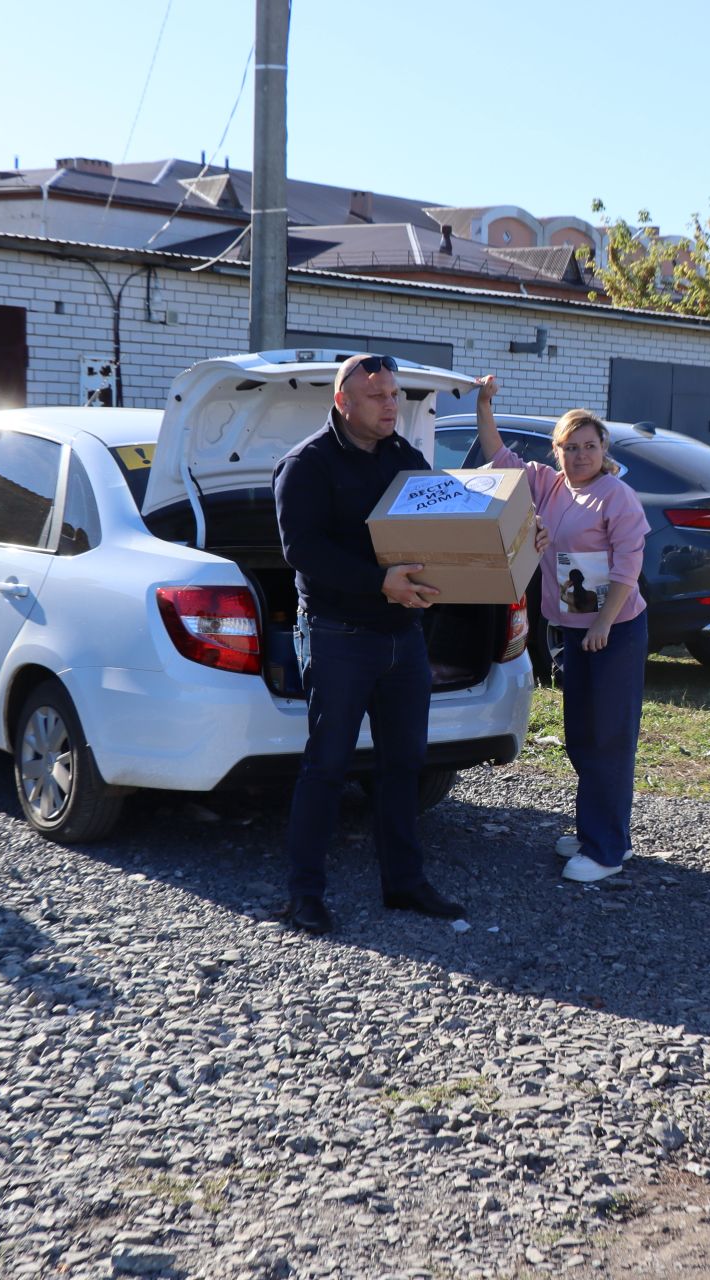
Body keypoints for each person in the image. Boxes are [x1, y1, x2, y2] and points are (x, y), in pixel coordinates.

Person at [270, 353, 467, 934]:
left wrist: (508, 533)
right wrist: (378, 580)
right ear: (343, 402)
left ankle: (403, 883)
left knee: (404, 763)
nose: (390, 405)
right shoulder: (306, 464)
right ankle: (304, 894)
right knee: (327, 766)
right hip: (338, 636)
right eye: (377, 395)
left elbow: (444, 516)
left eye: (395, 394)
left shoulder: (405, 456)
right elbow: (301, 550)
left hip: (402, 636)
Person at [473, 377, 652, 883]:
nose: (579, 456)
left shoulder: (617, 497)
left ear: (603, 449)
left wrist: (601, 624)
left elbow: (626, 571)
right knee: (580, 738)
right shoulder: (550, 485)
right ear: (556, 452)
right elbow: (497, 454)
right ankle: (597, 828)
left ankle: (607, 850)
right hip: (572, 630)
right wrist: (485, 405)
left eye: (588, 447)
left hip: (614, 631)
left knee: (609, 739)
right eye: (569, 448)